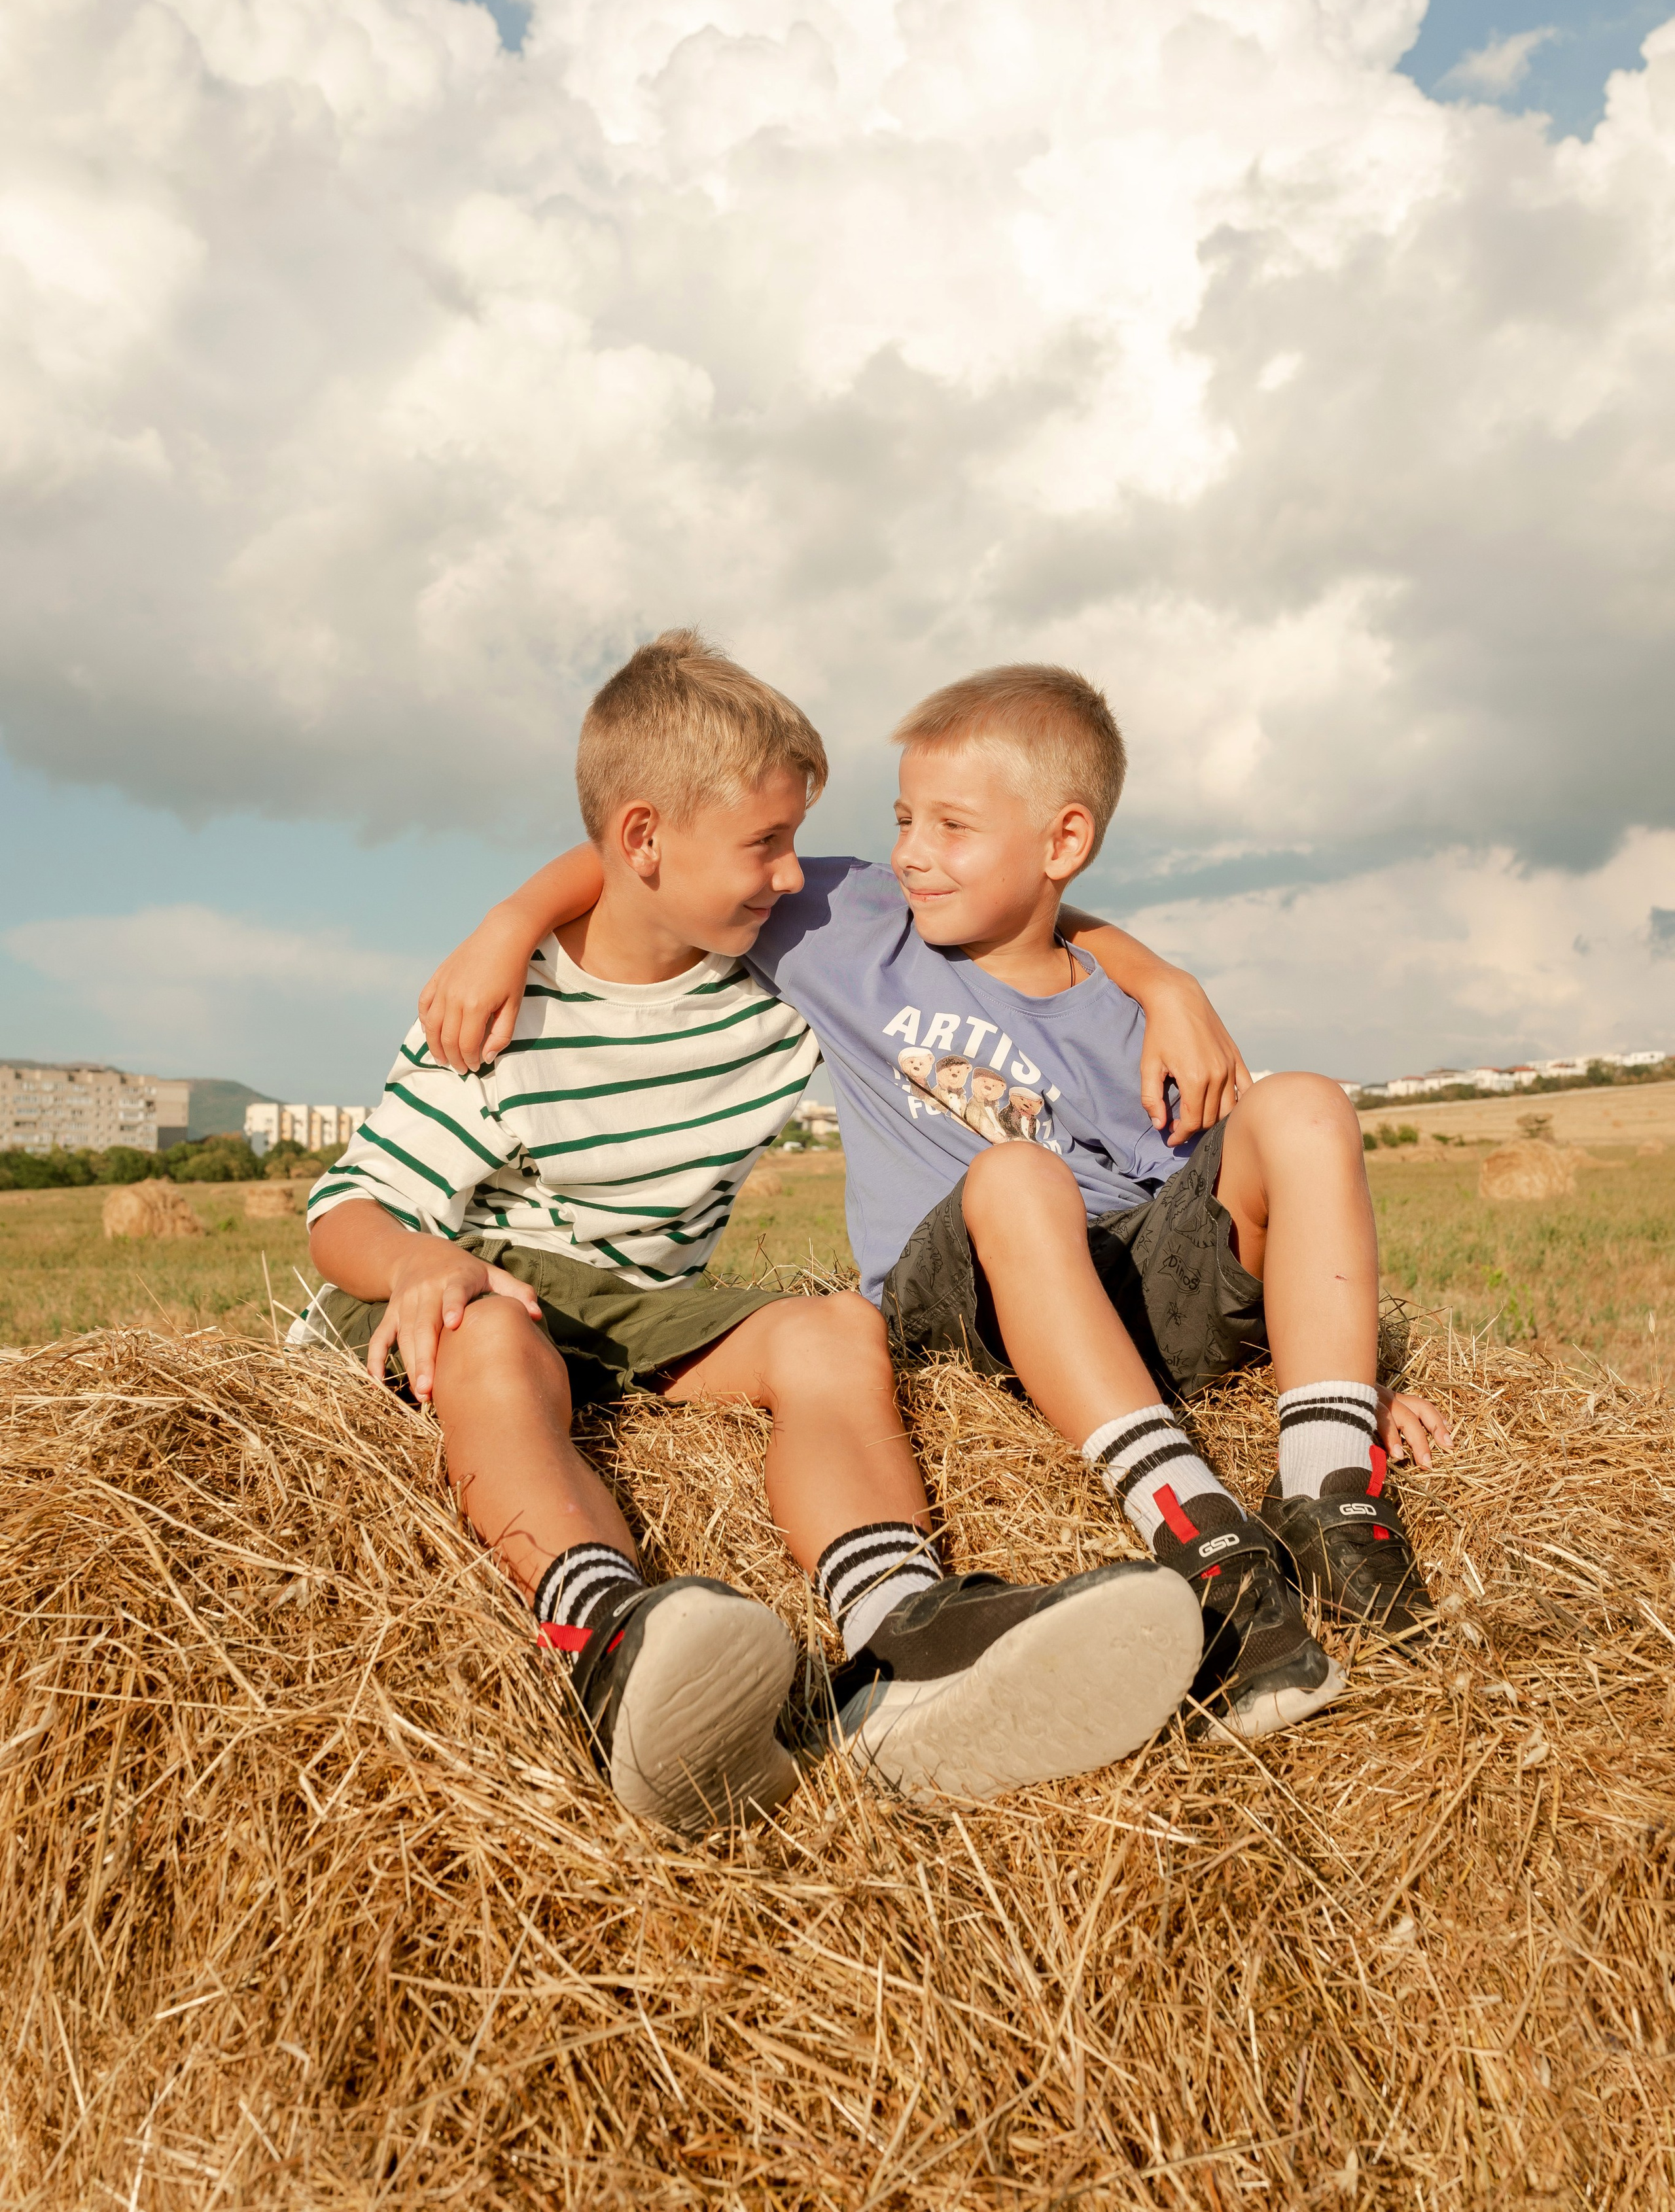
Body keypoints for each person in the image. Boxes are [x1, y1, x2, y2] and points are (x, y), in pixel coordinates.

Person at [421, 658, 1453, 1744]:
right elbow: (654, 856)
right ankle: (1202, 1537)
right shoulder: (847, 921)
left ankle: (1336, 1489)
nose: (912, 851)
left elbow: (1227, 1208)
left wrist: (1342, 1369)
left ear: (1063, 845)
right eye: (905, 817)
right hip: (958, 1304)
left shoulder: (1126, 1013)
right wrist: (508, 923)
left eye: (950, 828)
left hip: (1120, 1305)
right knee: (1015, 1176)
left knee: (1305, 1104)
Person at [300, 636, 1205, 1835]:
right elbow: (345, 1211)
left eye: (794, 840)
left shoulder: (769, 979)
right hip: (472, 1286)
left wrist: (1167, 983)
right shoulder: (503, 1012)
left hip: (638, 1310)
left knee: (832, 1331)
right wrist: (423, 1258)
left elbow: (1018, 901)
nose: (793, 876)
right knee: (493, 1345)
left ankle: (901, 1635)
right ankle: (606, 1635)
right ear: (642, 844)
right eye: (765, 845)